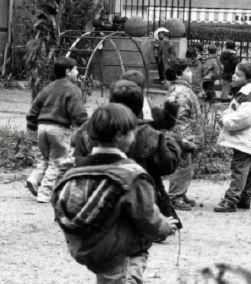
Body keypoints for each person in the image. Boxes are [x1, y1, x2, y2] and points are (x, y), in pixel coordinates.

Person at [52, 103, 179, 284]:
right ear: (124, 136)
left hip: (81, 242)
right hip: (112, 248)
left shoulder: (73, 167)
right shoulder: (132, 174)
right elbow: (148, 218)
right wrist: (165, 228)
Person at [71, 80, 183, 233]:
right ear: (140, 106)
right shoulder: (148, 132)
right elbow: (166, 165)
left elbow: (77, 154)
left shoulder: (91, 127)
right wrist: (173, 141)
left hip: (94, 200)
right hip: (140, 203)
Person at [25, 57, 88, 203]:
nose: (77, 71)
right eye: (75, 69)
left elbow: (34, 109)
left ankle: (34, 178)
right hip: (59, 129)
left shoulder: (48, 88)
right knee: (58, 161)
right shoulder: (73, 89)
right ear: (68, 72)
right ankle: (45, 193)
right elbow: (78, 113)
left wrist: (32, 127)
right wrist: (86, 126)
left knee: (47, 158)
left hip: (42, 128)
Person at [214, 61, 251, 213]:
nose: (233, 76)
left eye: (238, 75)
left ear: (249, 79)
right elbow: (237, 112)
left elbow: (241, 119)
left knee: (239, 169)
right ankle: (245, 198)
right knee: (248, 170)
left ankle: (231, 200)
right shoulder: (245, 94)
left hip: (246, 141)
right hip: (249, 140)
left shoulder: (249, 97)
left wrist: (224, 120)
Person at [164, 58, 202, 210]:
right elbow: (178, 117)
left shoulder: (182, 89)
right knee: (182, 165)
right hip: (183, 135)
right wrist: (183, 138)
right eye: (187, 70)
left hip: (187, 134)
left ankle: (181, 192)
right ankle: (175, 196)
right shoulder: (180, 92)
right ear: (179, 75)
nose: (191, 73)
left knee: (186, 166)